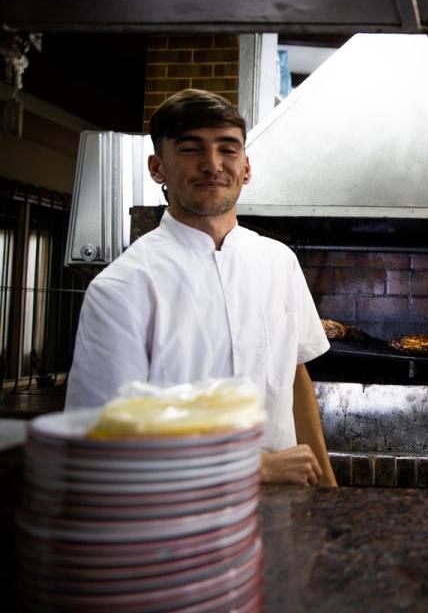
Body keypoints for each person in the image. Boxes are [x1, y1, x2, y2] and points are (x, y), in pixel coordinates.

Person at [66, 88, 336, 487]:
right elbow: (105, 435)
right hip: (177, 518)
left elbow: (295, 380)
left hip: (285, 509)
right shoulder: (122, 287)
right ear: (157, 167)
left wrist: (329, 491)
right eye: (191, 149)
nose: (213, 165)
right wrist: (254, 468)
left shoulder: (279, 262)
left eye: (228, 149)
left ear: (246, 167)